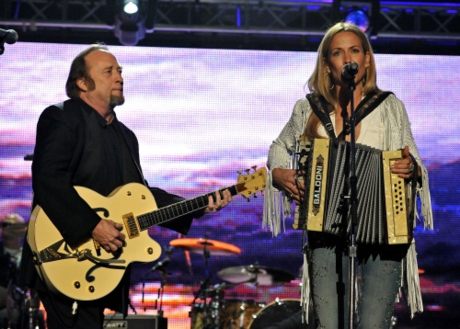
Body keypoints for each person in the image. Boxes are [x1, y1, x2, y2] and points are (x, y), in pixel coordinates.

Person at [19, 43, 232, 329]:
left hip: (103, 263)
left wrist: (197, 206)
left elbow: (141, 195)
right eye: (108, 71)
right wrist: (93, 225)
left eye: (119, 71)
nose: (119, 77)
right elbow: (48, 179)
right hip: (60, 251)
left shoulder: (126, 137)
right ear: (82, 82)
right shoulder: (62, 116)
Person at [263, 22, 433, 328]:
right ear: (327, 64)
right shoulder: (308, 109)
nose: (347, 59)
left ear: (367, 59)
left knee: (372, 325)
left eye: (354, 51)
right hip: (324, 230)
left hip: (382, 229)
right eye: (338, 53)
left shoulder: (389, 107)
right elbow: (279, 146)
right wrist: (278, 172)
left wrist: (411, 169)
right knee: (329, 325)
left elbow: (414, 159)